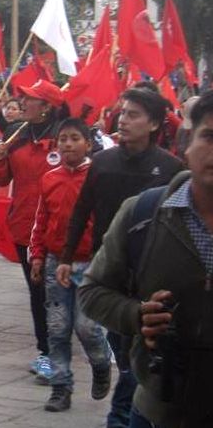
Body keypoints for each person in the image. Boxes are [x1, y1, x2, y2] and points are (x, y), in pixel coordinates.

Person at [78, 90, 213, 428]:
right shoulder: (144, 213)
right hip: (159, 409)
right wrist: (137, 315)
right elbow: (92, 291)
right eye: (209, 136)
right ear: (188, 144)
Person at [62, 86, 184, 428]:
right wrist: (67, 256)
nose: (124, 120)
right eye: (123, 113)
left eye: (134, 115)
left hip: (151, 276)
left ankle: (122, 418)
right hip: (110, 271)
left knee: (137, 354)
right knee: (123, 348)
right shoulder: (102, 162)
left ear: (155, 123)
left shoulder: (171, 169)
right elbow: (82, 210)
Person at [28, 118, 112, 412]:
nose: (68, 144)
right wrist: (37, 255)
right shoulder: (49, 178)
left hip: (91, 264)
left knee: (87, 327)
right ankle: (61, 387)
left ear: (88, 144)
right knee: (57, 327)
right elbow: (41, 221)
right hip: (54, 262)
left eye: (75, 138)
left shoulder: (98, 177)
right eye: (63, 139)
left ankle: (101, 364)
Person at [0, 80, 68, 382]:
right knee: (38, 292)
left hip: (61, 228)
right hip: (26, 227)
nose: (21, 102)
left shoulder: (65, 136)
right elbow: (0, 177)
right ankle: (47, 351)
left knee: (60, 292)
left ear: (47, 107)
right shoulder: (14, 134)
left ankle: (70, 343)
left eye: (30, 98)